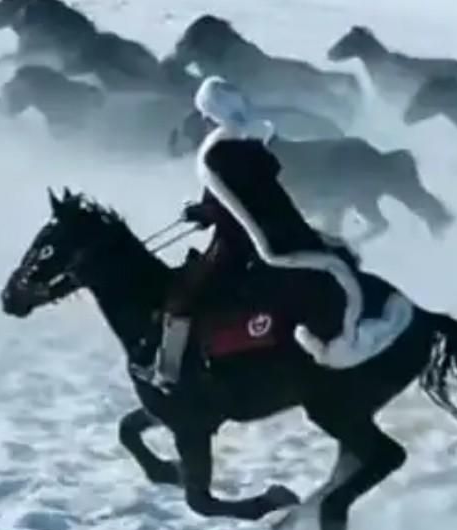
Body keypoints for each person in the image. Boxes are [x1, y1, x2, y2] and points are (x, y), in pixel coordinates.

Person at [151, 75, 413, 391]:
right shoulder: (247, 147)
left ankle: (170, 374)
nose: (204, 122)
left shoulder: (219, 157)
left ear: (212, 117)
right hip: (264, 235)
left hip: (243, 245)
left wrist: (201, 213)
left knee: (183, 297)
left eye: (205, 116)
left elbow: (235, 206)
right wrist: (203, 210)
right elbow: (237, 200)